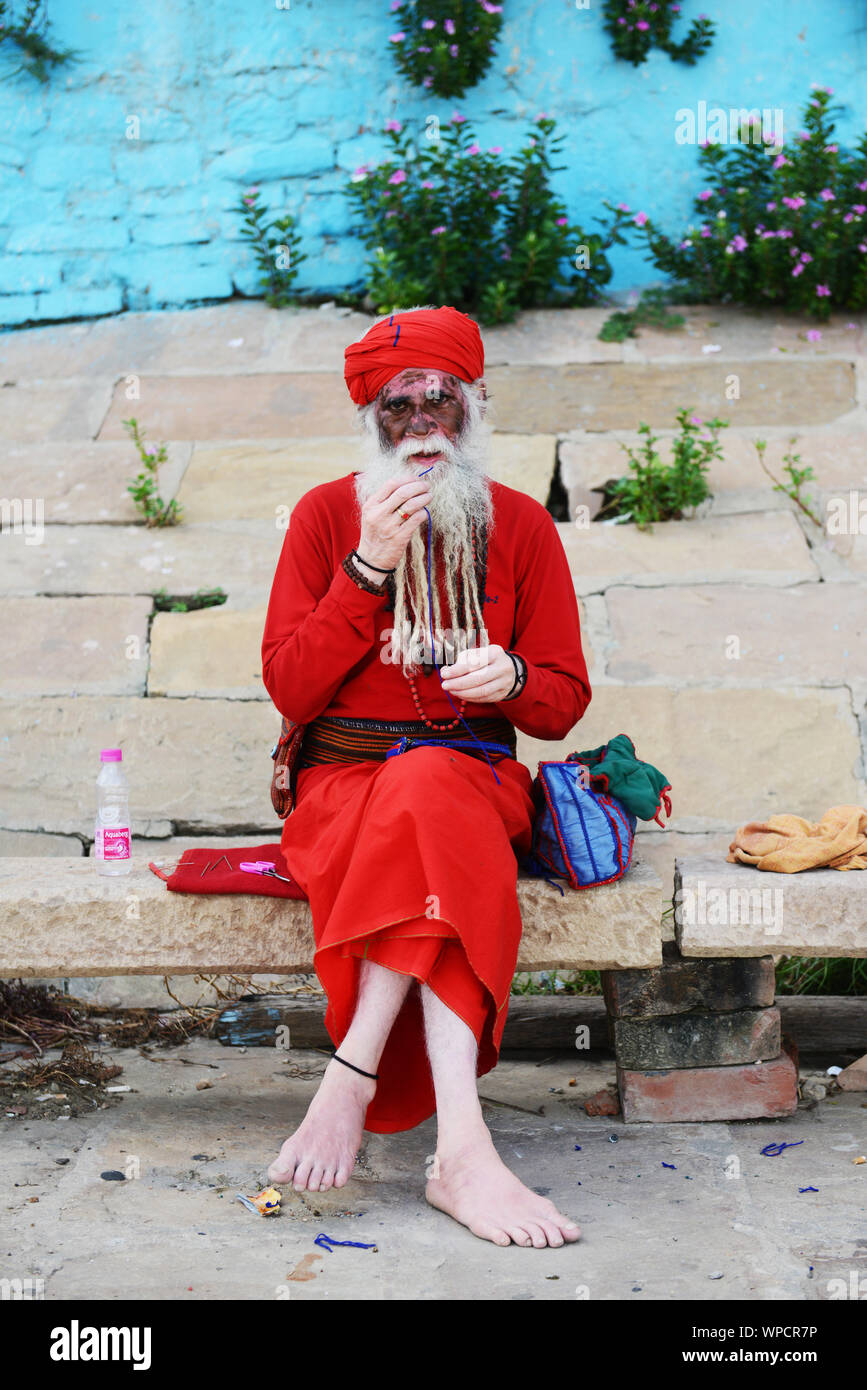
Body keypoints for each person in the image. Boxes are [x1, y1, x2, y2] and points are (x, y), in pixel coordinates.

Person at [260, 304, 592, 1248]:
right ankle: (462, 1153)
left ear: (472, 406)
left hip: (472, 774)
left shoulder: (521, 525)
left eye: (438, 403)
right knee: (419, 796)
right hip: (341, 787)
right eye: (398, 409)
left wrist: (515, 677)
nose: (420, 426)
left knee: (434, 785)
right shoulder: (328, 516)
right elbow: (288, 683)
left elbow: (562, 701)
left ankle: (352, 1073)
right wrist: (368, 566)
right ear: (373, 421)